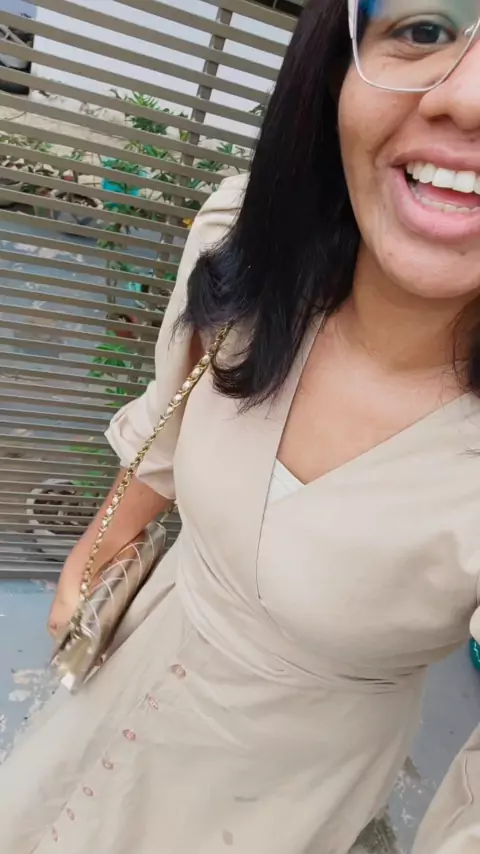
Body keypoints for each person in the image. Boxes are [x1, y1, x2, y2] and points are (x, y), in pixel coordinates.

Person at [1, 0, 480, 851]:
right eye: (425, 27)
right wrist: (99, 549)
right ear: (335, 67)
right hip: (135, 659)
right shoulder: (242, 244)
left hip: (283, 795)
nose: (469, 98)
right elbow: (167, 431)